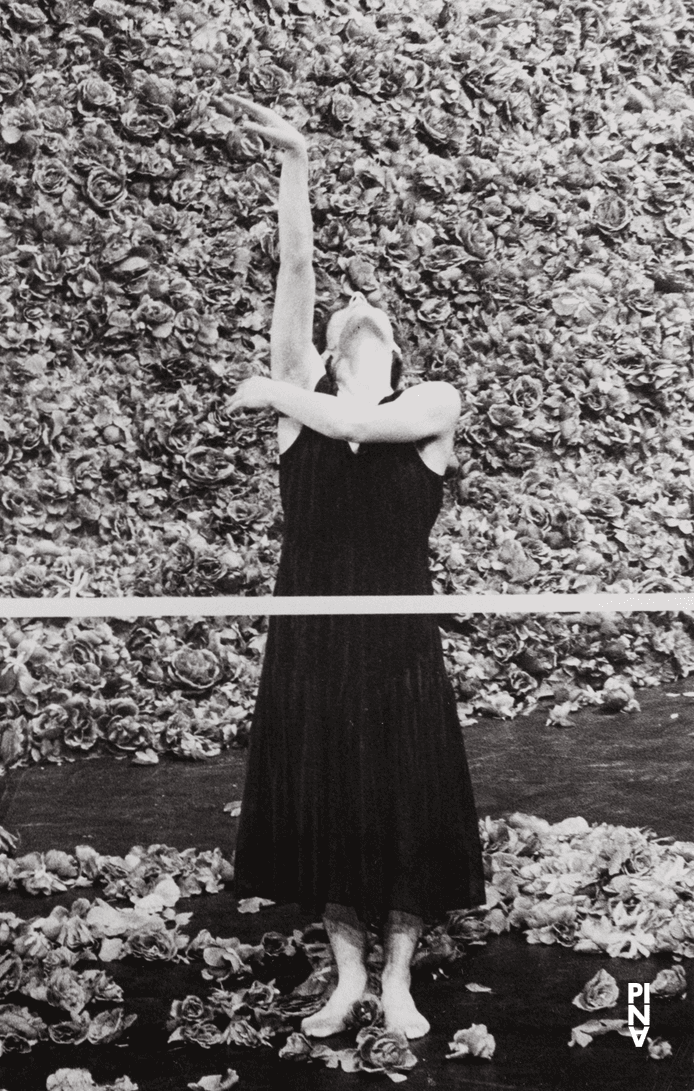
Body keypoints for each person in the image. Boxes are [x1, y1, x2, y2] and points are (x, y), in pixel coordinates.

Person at [219, 95, 486, 1041]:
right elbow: (297, 268)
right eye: (342, 316)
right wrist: (296, 163)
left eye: (375, 315)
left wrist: (272, 389)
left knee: (405, 799)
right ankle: (343, 977)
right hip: (315, 633)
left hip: (398, 636)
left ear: (398, 351)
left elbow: (369, 427)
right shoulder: (301, 406)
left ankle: (402, 977)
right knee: (331, 796)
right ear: (326, 353)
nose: (358, 305)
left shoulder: (432, 405)